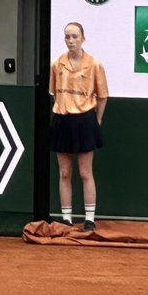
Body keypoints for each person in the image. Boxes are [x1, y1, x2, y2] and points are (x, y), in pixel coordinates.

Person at [49, 22, 108, 231]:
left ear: (83, 37)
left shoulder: (94, 65)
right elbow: (55, 93)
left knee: (85, 172)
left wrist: (97, 120)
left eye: (74, 36)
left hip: (85, 119)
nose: (71, 40)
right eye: (67, 37)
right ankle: (66, 219)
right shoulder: (56, 64)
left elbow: (102, 96)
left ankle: (89, 219)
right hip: (61, 119)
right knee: (64, 172)